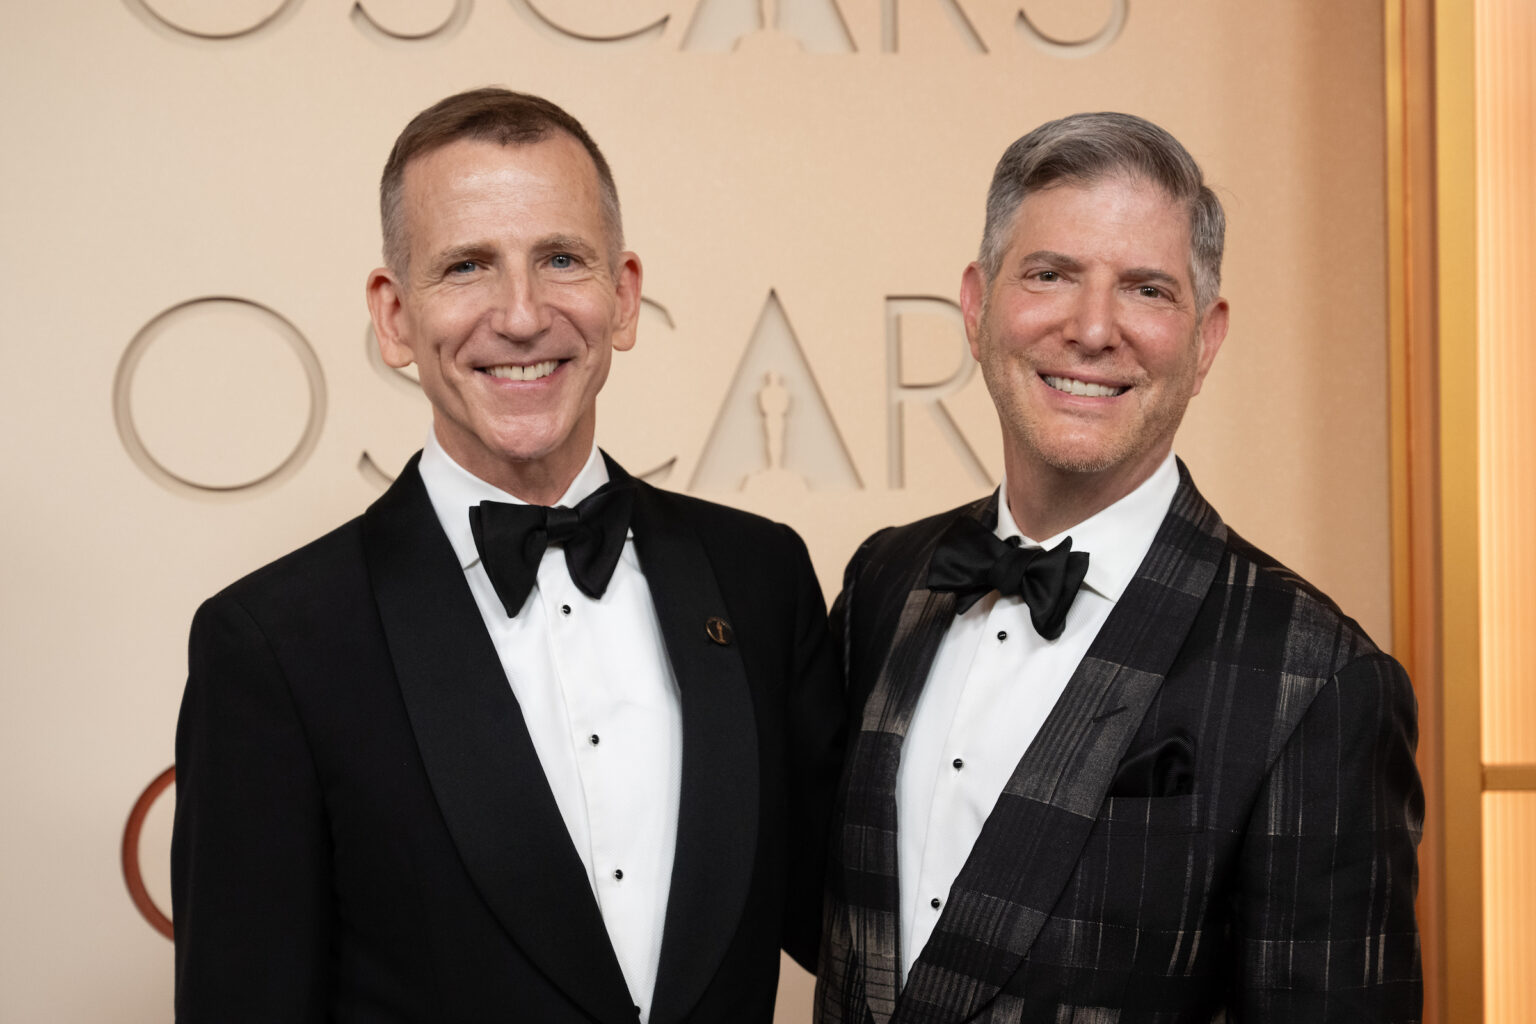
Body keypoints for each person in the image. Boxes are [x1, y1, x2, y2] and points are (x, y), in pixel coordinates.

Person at [171, 87, 843, 1024]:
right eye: (467, 267)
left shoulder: (762, 577)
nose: (522, 316)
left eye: (562, 259)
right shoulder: (273, 643)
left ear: (626, 295)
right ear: (395, 316)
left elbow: (858, 928)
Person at [815, 112, 1422, 1022]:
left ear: (1206, 339)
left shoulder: (1324, 680)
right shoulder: (887, 580)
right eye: (1052, 275)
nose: (1094, 329)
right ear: (978, 306)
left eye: (1146, 289)